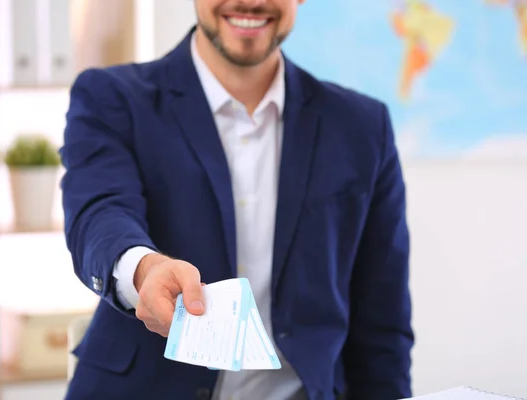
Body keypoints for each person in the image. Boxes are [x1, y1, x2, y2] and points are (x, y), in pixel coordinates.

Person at [60, 0, 414, 399]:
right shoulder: (112, 98)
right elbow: (99, 212)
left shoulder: (362, 127)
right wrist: (144, 269)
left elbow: (382, 323)